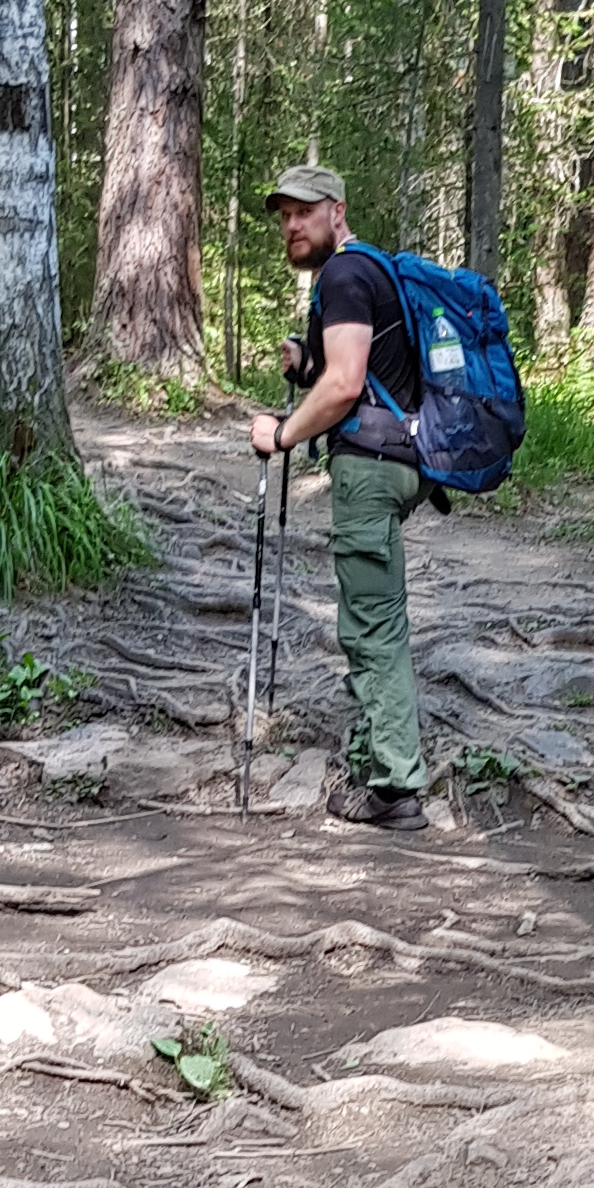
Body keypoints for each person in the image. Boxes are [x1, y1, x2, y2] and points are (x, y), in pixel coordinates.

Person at [248, 165, 428, 833]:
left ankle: (395, 789)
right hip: (394, 463)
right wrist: (307, 362)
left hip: (372, 471)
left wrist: (284, 435)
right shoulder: (363, 274)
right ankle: (384, 761)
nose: (292, 226)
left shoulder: (346, 276)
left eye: (304, 212)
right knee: (376, 619)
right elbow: (357, 369)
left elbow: (348, 385)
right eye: (284, 215)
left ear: (337, 211)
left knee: (372, 627)